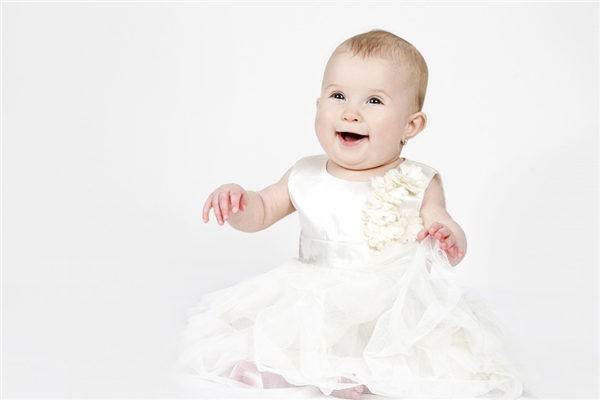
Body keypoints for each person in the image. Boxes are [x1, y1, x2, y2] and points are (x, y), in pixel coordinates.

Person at [176, 29, 526, 399]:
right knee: (293, 334)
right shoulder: (305, 173)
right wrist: (239, 203)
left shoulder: (417, 180)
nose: (351, 112)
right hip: (314, 294)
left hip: (390, 303)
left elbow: (441, 221)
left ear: (411, 125)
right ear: (317, 105)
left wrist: (447, 236)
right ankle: (310, 373)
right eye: (338, 96)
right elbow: (262, 211)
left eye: (374, 100)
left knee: (412, 351)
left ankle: (358, 375)